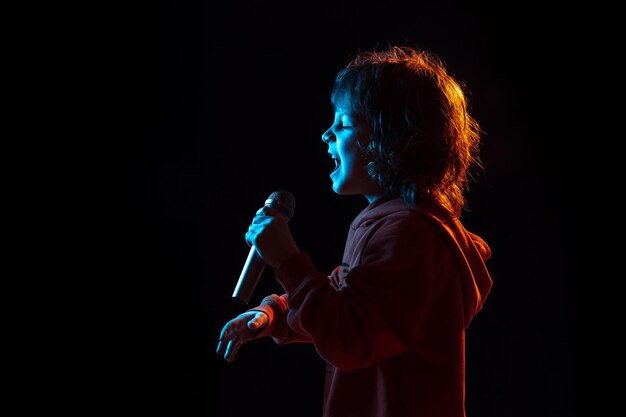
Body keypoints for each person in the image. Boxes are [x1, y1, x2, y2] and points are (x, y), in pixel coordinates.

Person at [216, 45, 493, 417]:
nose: (326, 134)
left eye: (344, 124)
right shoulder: (400, 225)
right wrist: (275, 315)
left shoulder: (407, 234)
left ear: (392, 140)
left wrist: (287, 260)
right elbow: (352, 302)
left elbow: (350, 336)